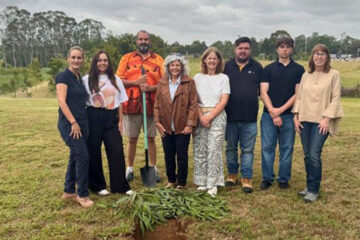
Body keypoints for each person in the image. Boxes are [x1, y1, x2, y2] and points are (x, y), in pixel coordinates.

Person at [293, 44, 344, 202]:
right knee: (307, 156)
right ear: (312, 57)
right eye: (316, 54)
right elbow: (299, 97)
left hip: (321, 122)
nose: (319, 57)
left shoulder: (334, 74)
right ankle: (309, 186)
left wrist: (327, 118)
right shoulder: (306, 75)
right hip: (304, 120)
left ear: (327, 57)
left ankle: (314, 190)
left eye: (323, 54)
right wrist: (296, 116)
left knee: (315, 155)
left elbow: (335, 98)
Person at [116, 30, 164, 182]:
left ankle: (153, 168)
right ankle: (129, 169)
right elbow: (118, 80)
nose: (143, 41)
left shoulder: (158, 59)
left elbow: (164, 83)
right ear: (136, 41)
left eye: (146, 39)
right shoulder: (126, 58)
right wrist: (135, 83)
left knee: (151, 138)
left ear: (150, 41)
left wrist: (150, 88)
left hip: (151, 105)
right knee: (132, 139)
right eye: (140, 39)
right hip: (132, 105)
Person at [83, 50, 133, 196]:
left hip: (111, 117)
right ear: (95, 62)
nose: (102, 63)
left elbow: (121, 102)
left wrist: (121, 122)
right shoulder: (87, 79)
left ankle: (120, 186)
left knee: (116, 151)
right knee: (94, 151)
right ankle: (98, 185)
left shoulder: (115, 79)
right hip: (93, 116)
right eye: (99, 60)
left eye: (105, 60)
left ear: (109, 62)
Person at [260, 37, 305, 190]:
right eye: (281, 46)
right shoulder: (268, 69)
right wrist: (273, 112)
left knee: (286, 148)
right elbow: (263, 92)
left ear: (292, 49)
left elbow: (297, 94)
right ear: (277, 49)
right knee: (267, 147)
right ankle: (267, 178)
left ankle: (284, 179)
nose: (284, 49)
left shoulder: (299, 70)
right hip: (268, 116)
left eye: (287, 46)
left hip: (288, 116)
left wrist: (280, 111)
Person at [224, 37, 263, 193]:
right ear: (235, 49)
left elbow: (263, 90)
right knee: (231, 148)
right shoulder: (226, 66)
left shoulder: (257, 67)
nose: (243, 51)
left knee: (247, 150)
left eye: (246, 48)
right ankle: (232, 174)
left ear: (250, 50)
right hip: (230, 117)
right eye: (240, 48)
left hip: (250, 118)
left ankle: (246, 177)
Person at [56, 46, 93, 208]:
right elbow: (62, 102)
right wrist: (73, 122)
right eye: (73, 57)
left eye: (79, 58)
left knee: (75, 155)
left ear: (83, 60)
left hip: (83, 122)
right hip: (70, 124)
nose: (76, 60)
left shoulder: (79, 78)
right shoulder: (63, 77)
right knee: (83, 156)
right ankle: (82, 195)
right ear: (68, 59)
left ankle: (68, 190)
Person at [154, 54, 198, 189]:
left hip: (182, 126)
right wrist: (157, 121)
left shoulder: (189, 82)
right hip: (166, 126)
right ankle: (171, 180)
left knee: (182, 156)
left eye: (177, 65)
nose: (175, 68)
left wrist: (190, 124)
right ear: (168, 67)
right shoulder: (162, 82)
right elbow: (156, 103)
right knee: (168, 154)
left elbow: (193, 104)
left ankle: (181, 182)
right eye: (172, 65)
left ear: (182, 67)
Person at [193, 47, 230, 197]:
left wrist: (210, 116)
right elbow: (193, 99)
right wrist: (201, 116)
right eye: (209, 58)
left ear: (219, 61)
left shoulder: (223, 78)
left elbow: (224, 100)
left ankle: (213, 183)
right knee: (201, 149)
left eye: (215, 58)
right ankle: (203, 181)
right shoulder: (197, 78)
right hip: (200, 115)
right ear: (204, 60)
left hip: (217, 115)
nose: (212, 61)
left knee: (214, 149)